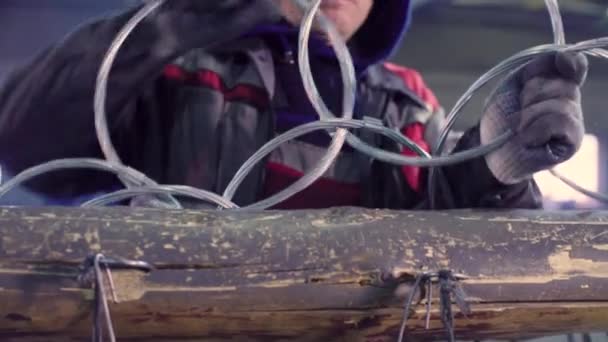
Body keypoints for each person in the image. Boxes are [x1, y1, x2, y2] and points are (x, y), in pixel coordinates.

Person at [0, 0, 588, 209]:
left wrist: (493, 170)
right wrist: (162, 28)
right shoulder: (183, 73)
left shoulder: (404, 104)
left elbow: (440, 232)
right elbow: (25, 141)